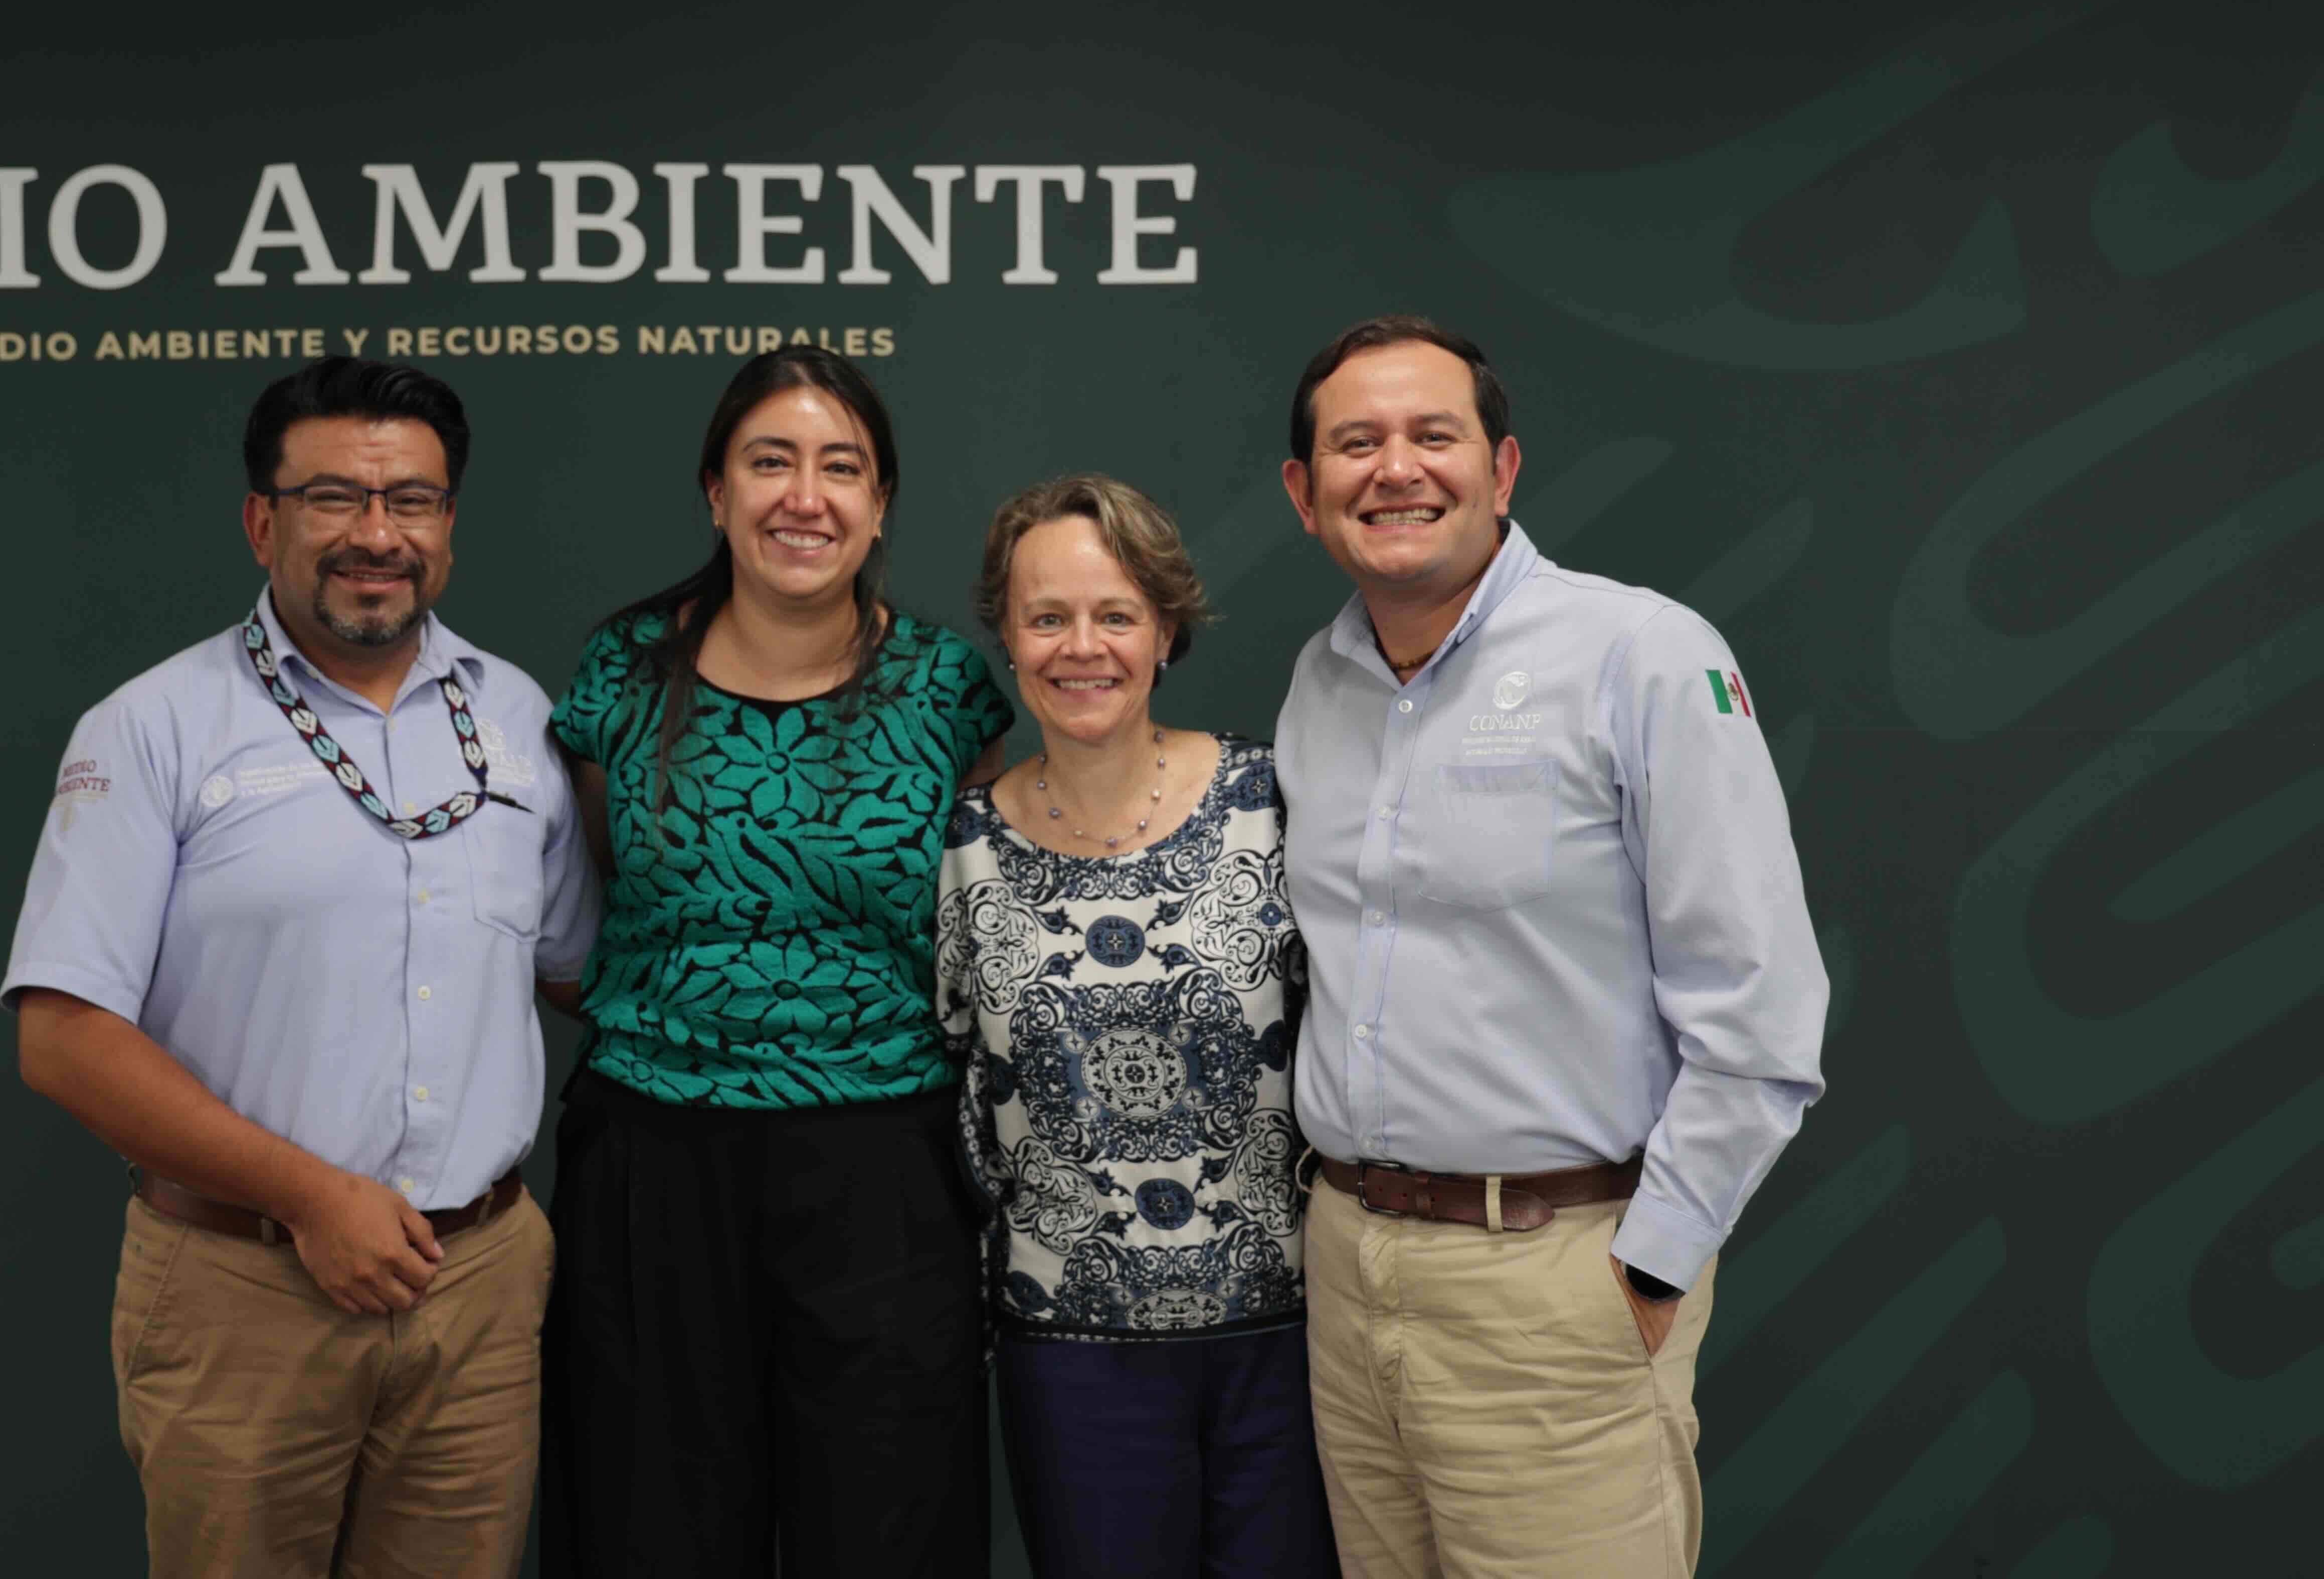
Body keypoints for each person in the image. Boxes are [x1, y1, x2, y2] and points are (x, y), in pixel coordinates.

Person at [1, 355, 600, 1578]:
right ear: (262, 523)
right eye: (334, 498)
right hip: (246, 1286)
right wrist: (313, 1198)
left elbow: (575, 973)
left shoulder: (519, 721)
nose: (377, 535)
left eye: (412, 500)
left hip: (479, 1289)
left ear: (448, 525)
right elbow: (62, 1038)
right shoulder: (154, 728)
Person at [1272, 314, 1829, 1576]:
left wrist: (1651, 1270)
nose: (1396, 469)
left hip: (1555, 1280)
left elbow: (1760, 1011)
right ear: (1305, 495)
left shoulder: (1641, 655)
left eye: (1434, 435)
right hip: (1350, 1273)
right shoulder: (1321, 681)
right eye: (1356, 444)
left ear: (1504, 469)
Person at [538, 344, 1014, 1579]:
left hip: (885, 1171)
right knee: (651, 1535)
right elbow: (600, 907)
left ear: (880, 503)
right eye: (770, 462)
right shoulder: (624, 672)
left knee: (888, 1536)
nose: (805, 497)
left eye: (840, 467)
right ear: (716, 490)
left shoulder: (948, 689)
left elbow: (974, 929)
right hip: (653, 1164)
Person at [937, 473, 1338, 1579]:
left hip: (1293, 1335)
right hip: (1069, 1350)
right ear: (1008, 637)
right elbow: (952, 1093)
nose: (1083, 648)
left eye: (1115, 614)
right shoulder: (964, 847)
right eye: (1047, 617)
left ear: (1165, 630)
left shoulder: (1271, 804)